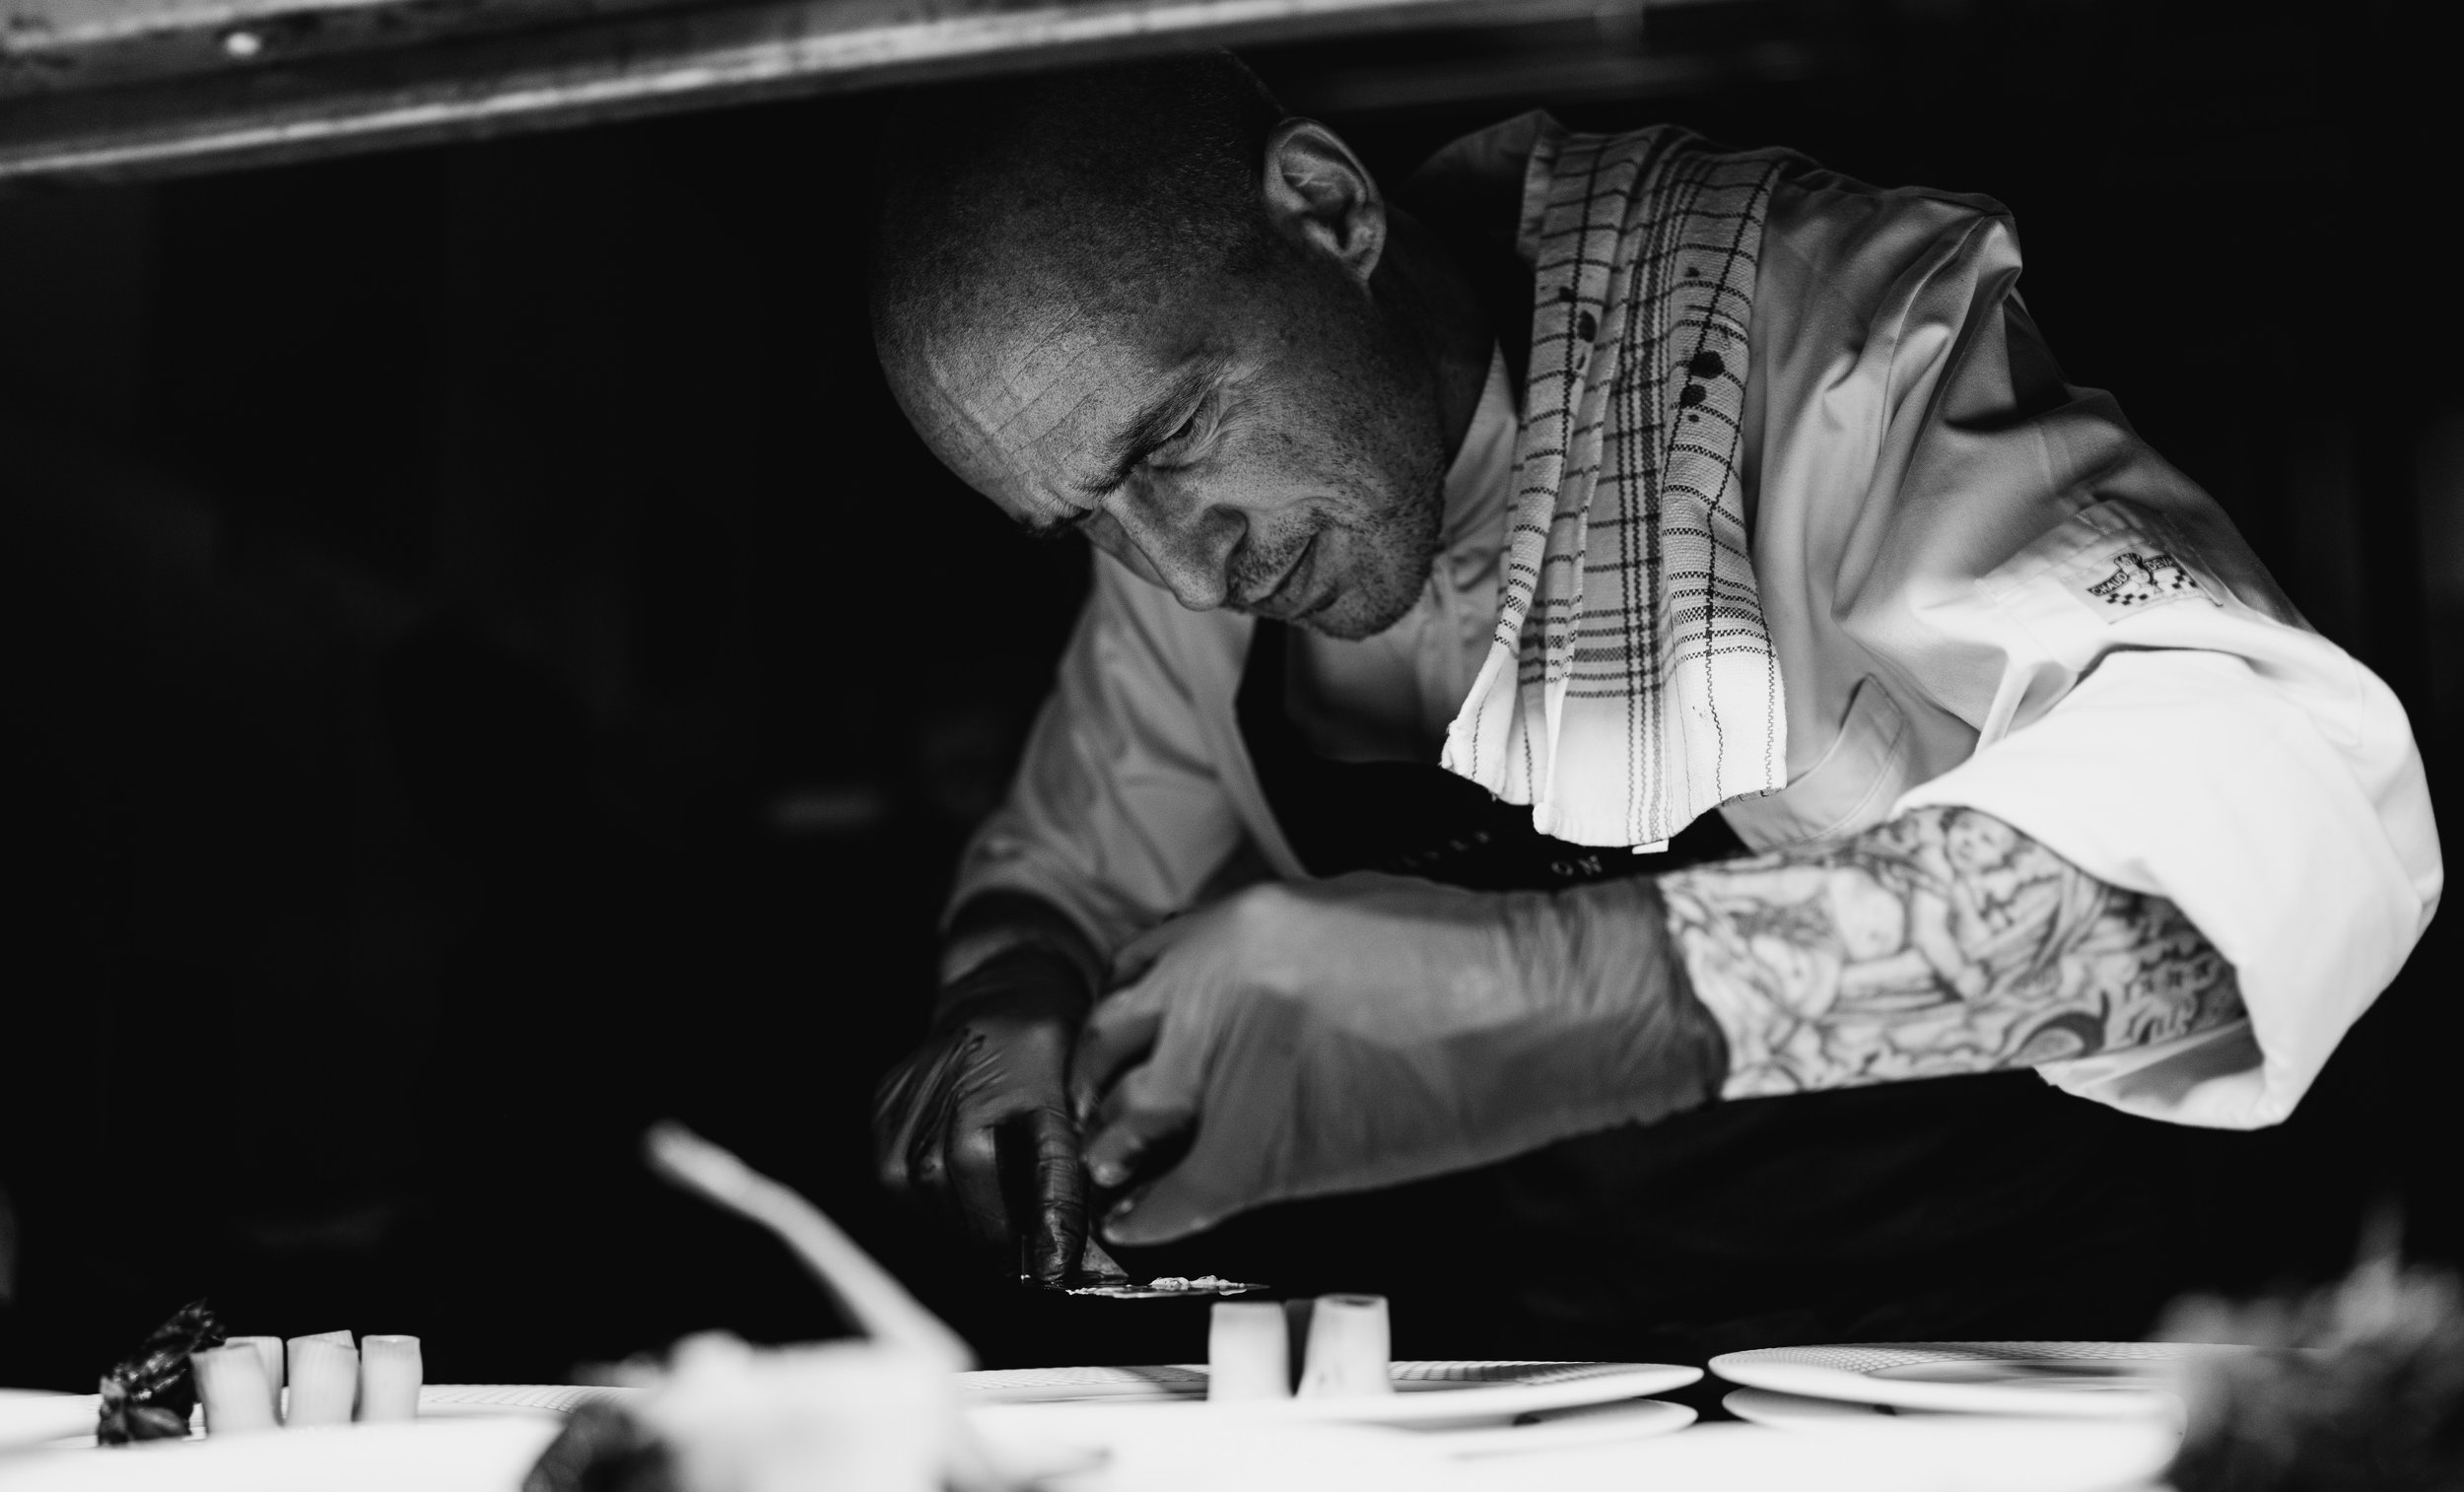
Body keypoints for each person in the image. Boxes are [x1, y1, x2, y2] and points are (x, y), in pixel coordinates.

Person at [866, 53, 2438, 1350]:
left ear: (1328, 210)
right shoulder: (1171, 547)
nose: (1176, 570)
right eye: (1080, 518)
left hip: (2017, 1350)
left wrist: (1559, 992)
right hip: (1566, 1373)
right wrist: (1008, 992)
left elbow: (2280, 810)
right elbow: (1068, 864)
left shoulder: (1827, 339)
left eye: (1169, 441)